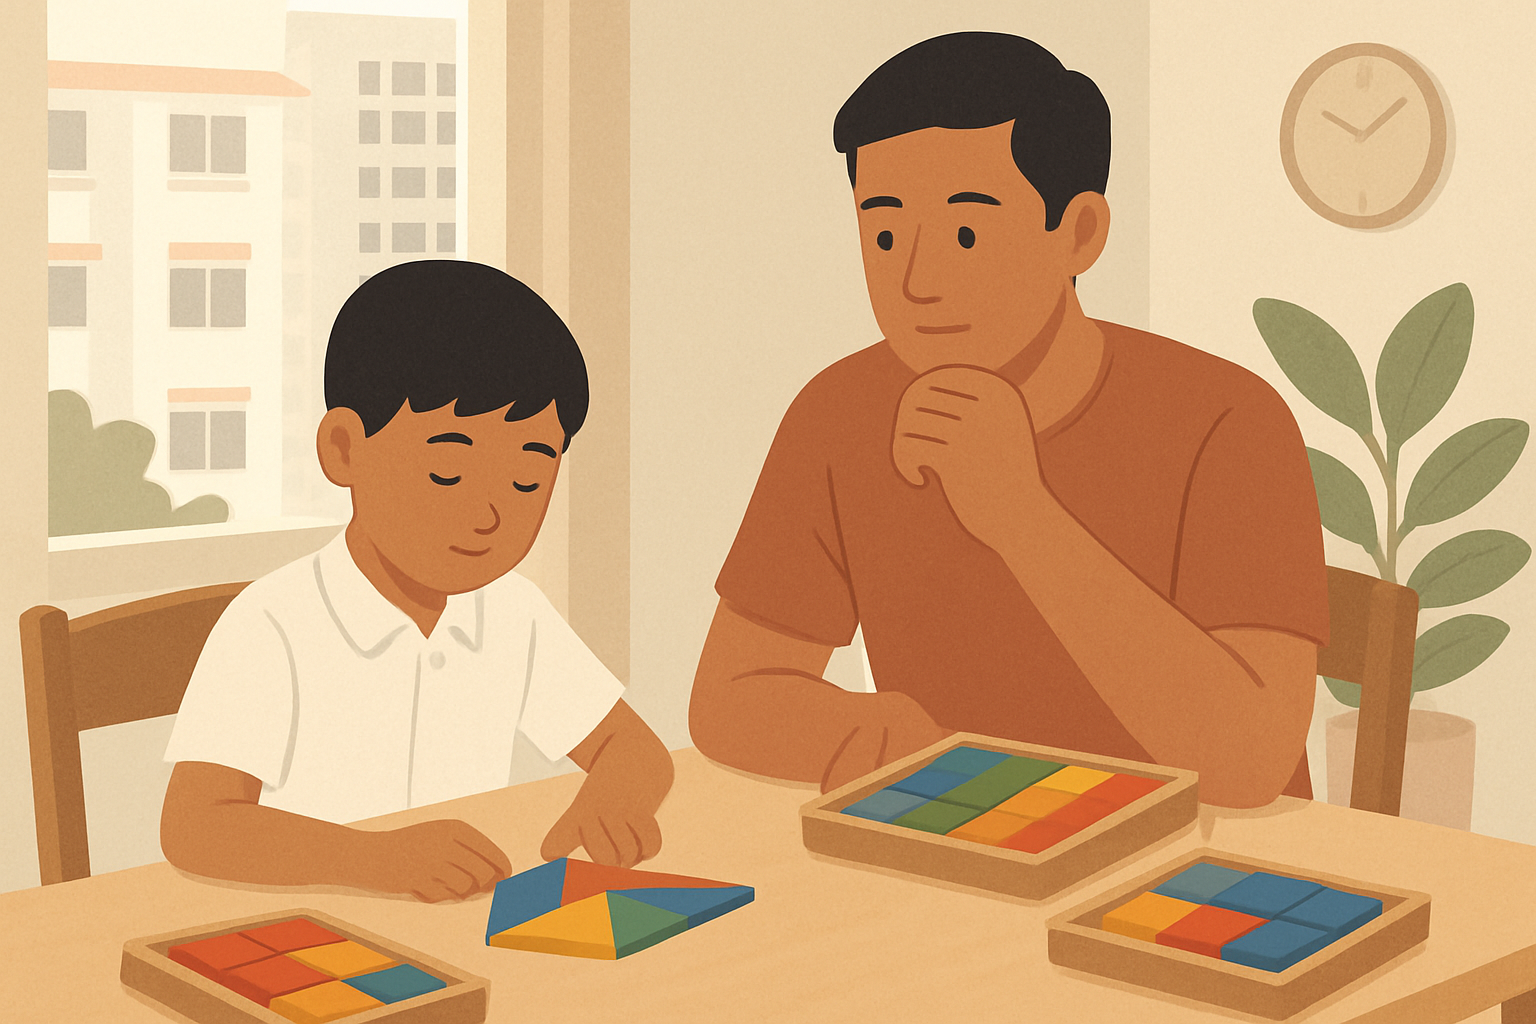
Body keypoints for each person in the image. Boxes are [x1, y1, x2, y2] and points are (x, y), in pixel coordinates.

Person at [688, 32, 1328, 809]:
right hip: (963, 850)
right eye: (884, 232)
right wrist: (860, 729)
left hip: (1208, 871)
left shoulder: (1228, 421)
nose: (917, 282)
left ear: (1080, 233)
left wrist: (1022, 516)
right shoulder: (841, 412)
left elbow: (1249, 760)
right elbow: (729, 696)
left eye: (966, 232)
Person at [160, 261, 673, 902]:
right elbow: (194, 826)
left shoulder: (511, 611)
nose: (490, 515)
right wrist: (373, 860)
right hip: (314, 933)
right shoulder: (272, 622)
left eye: (527, 481)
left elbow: (636, 748)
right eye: (448, 472)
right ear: (345, 449)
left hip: (460, 922)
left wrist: (613, 798)